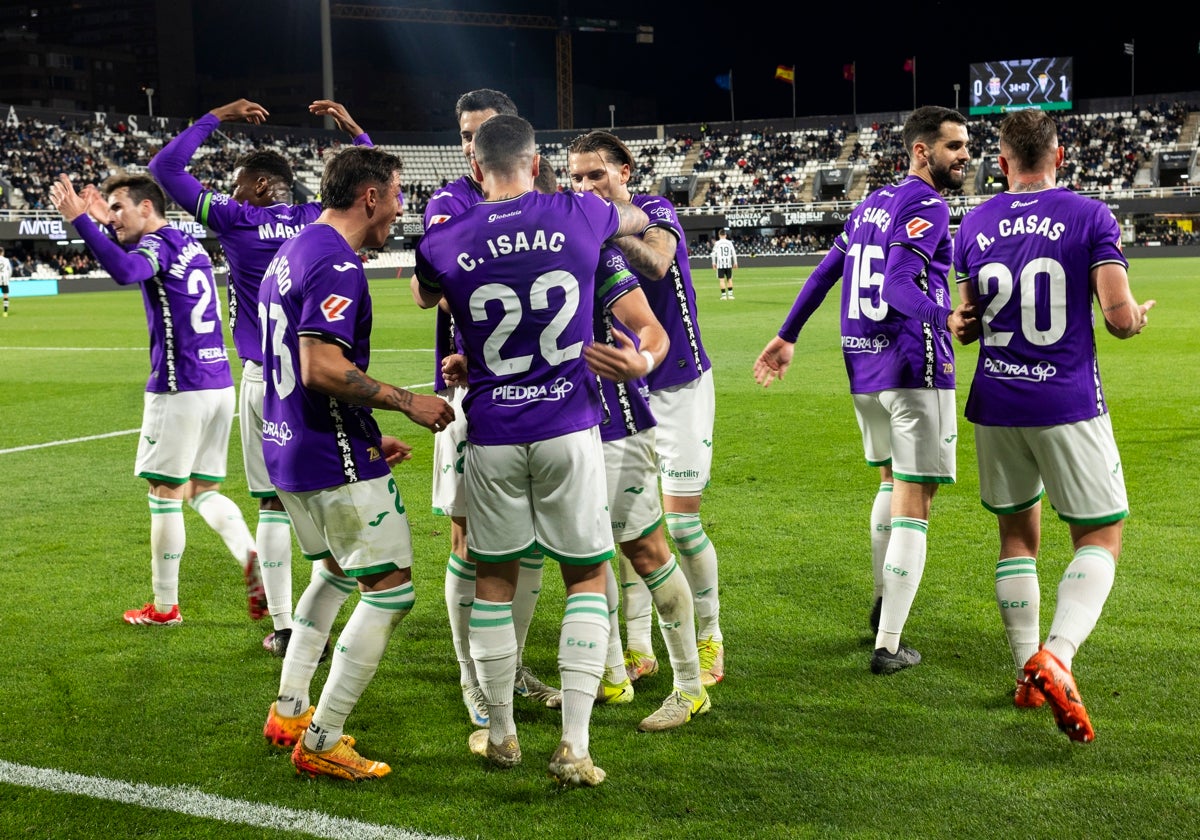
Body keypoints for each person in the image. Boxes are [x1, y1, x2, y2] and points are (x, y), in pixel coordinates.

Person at [412, 114, 651, 787]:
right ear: (537, 159)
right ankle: (574, 746)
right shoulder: (581, 210)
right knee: (585, 577)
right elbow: (635, 225)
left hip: (490, 433)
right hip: (569, 426)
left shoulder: (446, 236)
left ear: (477, 168)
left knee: (493, 580)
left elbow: (425, 292)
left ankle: (500, 733)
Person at [952, 109, 1155, 742]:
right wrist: (1136, 318)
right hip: (1066, 401)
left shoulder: (974, 223)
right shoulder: (1090, 215)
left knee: (1017, 537)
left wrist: (966, 326)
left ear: (1003, 162)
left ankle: (1026, 673)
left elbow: (965, 321)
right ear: (1059, 156)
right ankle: (1057, 655)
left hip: (996, 401)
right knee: (1100, 535)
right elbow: (1118, 318)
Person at [752, 105, 977, 675]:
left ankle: (882, 606)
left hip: (863, 368)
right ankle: (889, 644)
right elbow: (902, 286)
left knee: (889, 482)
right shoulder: (926, 202)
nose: (965, 156)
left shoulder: (871, 202)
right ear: (921, 151)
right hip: (912, 368)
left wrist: (786, 335)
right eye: (954, 146)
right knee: (916, 499)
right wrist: (942, 318)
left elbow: (826, 272)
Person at [149, 97, 372, 657]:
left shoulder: (234, 219)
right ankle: (353, 597)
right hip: (322, 377)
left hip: (263, 379)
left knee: (272, 504)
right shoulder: (315, 221)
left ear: (259, 187)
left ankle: (285, 625)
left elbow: (164, 170)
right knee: (329, 490)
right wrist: (353, 132)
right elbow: (374, 185)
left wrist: (216, 116)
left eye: (239, 181)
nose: (232, 188)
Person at [258, 145, 454, 780]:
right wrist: (406, 404)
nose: (400, 210)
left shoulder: (292, 251)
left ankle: (289, 709)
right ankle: (321, 738)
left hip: (289, 447)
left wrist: (368, 437)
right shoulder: (336, 261)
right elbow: (322, 367)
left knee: (336, 574)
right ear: (370, 196)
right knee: (391, 591)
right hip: (328, 451)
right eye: (397, 195)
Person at [530, 164, 709, 729]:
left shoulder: (596, 250)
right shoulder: (508, 252)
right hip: (557, 425)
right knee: (580, 554)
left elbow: (649, 326)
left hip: (616, 422)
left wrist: (643, 359)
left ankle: (689, 686)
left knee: (647, 550)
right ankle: (609, 677)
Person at [48, 172, 260, 626]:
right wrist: (108, 223)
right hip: (219, 385)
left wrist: (80, 220)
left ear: (147, 208)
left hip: (178, 385)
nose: (115, 215)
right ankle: (251, 552)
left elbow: (128, 270)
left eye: (120, 207)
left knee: (164, 494)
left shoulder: (157, 247)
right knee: (203, 490)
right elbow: (140, 254)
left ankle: (165, 608)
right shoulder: (187, 243)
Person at [421, 88, 560, 727]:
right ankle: (469, 676)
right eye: (462, 137)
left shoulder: (541, 193)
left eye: (478, 134)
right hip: (470, 391)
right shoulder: (448, 202)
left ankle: (507, 665)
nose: (469, 148)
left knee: (527, 543)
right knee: (470, 538)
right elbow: (443, 291)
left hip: (538, 391)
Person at [567, 130, 725, 689]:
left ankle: (709, 637)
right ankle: (637, 645)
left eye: (597, 175)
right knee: (627, 523)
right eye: (577, 178)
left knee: (680, 524)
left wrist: (607, 221)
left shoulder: (655, 210)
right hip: (619, 393)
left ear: (625, 171)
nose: (586, 186)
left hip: (677, 381)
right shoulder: (581, 226)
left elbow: (658, 264)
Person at [710, 228, 738, 300]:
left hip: (720, 264)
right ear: (725, 235)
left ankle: (724, 296)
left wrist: (713, 263)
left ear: (719, 235)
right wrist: (735, 262)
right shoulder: (729, 243)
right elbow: (733, 253)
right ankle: (731, 295)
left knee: (721, 280)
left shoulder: (717, 243)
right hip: (728, 264)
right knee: (729, 279)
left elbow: (713, 254)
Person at [0, 245, 11, 316]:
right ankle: (5, 312)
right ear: (2, 252)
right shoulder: (6, 260)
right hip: (4, 279)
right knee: (5, 295)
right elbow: (9, 270)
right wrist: (8, 278)